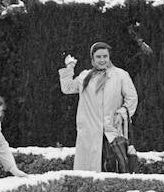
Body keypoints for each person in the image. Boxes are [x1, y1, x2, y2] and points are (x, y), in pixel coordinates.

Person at [59, 42, 138, 172]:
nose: (102, 60)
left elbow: (132, 98)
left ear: (109, 57)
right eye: (98, 57)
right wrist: (69, 68)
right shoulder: (85, 76)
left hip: (111, 132)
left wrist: (122, 111)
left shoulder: (120, 75)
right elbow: (67, 88)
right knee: (89, 173)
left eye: (105, 56)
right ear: (93, 59)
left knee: (114, 169)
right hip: (89, 133)